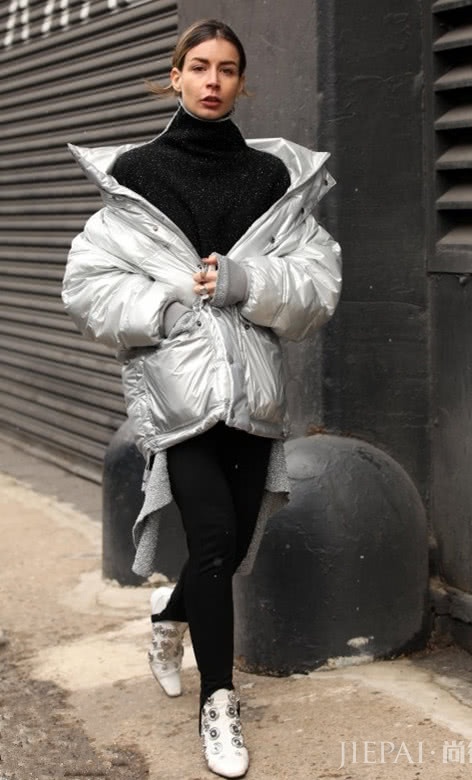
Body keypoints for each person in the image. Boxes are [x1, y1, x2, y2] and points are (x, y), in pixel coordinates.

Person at [62, 18, 341, 779]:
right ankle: (219, 704)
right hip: (176, 392)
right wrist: (168, 300)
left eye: (227, 69)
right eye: (199, 66)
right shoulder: (138, 179)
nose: (213, 80)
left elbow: (319, 287)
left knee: (232, 539)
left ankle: (168, 619)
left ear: (242, 82)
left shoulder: (272, 183)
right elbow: (87, 287)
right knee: (214, 536)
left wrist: (248, 282)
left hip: (253, 390)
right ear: (175, 76)